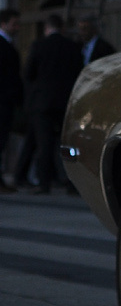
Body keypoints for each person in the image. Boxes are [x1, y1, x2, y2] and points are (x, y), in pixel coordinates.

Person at [20, 15, 81, 194]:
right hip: (65, 101)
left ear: (47, 28)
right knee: (68, 143)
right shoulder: (72, 47)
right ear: (61, 27)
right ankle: (71, 183)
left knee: (44, 144)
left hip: (43, 102)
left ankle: (44, 182)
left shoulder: (39, 46)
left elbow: (29, 73)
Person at [0, 10, 21, 191]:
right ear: (4, 23)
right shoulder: (4, 45)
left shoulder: (8, 45)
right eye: (14, 24)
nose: (17, 28)